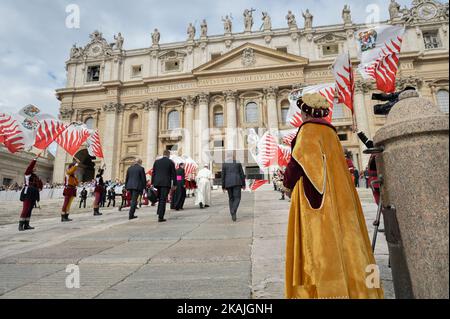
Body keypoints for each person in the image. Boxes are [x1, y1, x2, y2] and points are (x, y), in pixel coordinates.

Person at [283, 92, 383, 299]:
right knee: (348, 238)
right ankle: (359, 287)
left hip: (317, 196)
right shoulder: (331, 132)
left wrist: (287, 183)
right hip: (341, 194)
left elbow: (299, 162)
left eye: (301, 112)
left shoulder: (308, 130)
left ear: (306, 113)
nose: (300, 116)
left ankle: (324, 290)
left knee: (319, 242)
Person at [18, 154, 43, 231]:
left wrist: (40, 186)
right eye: (34, 167)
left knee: (30, 209)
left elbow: (39, 185)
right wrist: (35, 159)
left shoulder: (35, 176)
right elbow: (30, 166)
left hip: (34, 193)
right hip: (28, 191)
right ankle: (21, 225)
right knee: (26, 208)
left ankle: (27, 224)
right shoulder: (27, 174)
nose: (35, 168)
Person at [152, 150, 177, 222]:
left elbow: (153, 173)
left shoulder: (157, 162)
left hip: (157, 183)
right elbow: (173, 174)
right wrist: (174, 184)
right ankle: (161, 216)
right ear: (169, 155)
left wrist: (152, 183)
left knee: (160, 199)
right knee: (163, 199)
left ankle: (158, 211)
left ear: (163, 154)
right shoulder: (171, 162)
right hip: (165, 183)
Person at [221, 152, 246, 222]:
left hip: (228, 183)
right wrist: (243, 184)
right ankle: (233, 210)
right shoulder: (238, 163)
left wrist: (223, 186)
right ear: (233, 156)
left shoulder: (224, 164)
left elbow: (223, 175)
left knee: (231, 198)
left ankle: (233, 213)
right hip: (237, 182)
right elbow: (242, 174)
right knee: (237, 198)